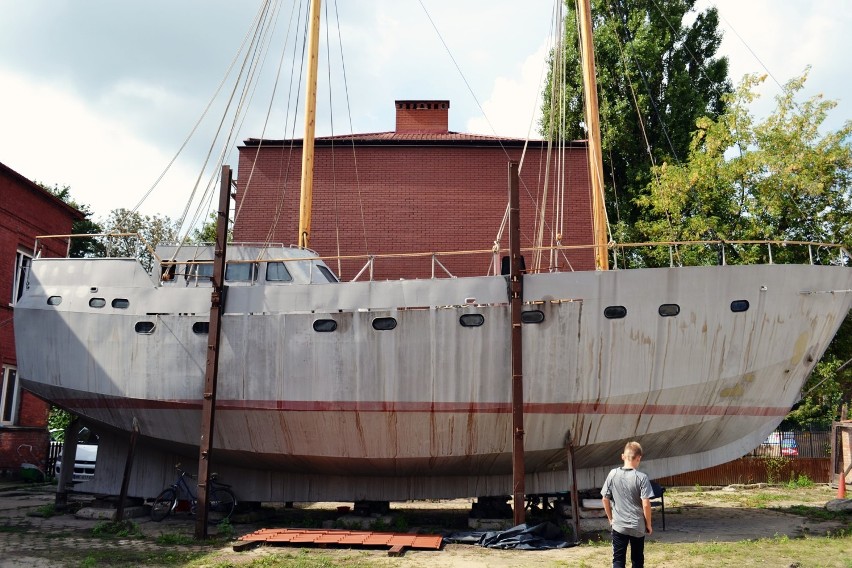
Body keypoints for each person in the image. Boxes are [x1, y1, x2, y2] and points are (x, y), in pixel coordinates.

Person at [601, 441, 653, 567]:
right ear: (639, 458)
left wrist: (610, 519)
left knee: (618, 559)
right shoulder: (642, 477)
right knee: (637, 559)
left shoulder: (613, 474)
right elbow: (646, 504)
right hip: (637, 525)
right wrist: (648, 524)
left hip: (619, 524)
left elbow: (605, 499)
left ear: (623, 456)